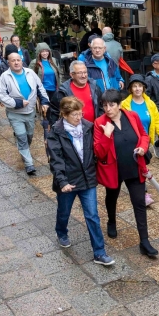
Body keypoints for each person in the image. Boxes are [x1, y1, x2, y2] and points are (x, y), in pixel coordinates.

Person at [48, 96, 115, 265]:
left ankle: (99, 252)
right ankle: (61, 232)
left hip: (87, 179)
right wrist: (62, 182)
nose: (79, 118)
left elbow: (95, 150)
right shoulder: (56, 132)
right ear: (64, 114)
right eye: (75, 115)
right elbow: (56, 159)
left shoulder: (88, 127)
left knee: (92, 216)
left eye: (80, 113)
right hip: (68, 181)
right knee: (64, 211)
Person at [93, 89, 158, 258]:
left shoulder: (132, 116)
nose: (108, 108)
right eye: (105, 105)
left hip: (134, 166)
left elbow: (144, 135)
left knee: (139, 202)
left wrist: (143, 148)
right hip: (113, 170)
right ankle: (111, 220)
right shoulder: (99, 122)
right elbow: (99, 153)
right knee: (111, 197)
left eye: (112, 104)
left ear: (120, 104)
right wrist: (107, 135)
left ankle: (144, 241)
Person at [0, 52, 50, 175]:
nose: (16, 62)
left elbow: (40, 87)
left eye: (18, 60)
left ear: (22, 61)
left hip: (30, 112)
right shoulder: (5, 76)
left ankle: (24, 149)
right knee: (21, 136)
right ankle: (29, 164)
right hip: (15, 113)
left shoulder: (30, 73)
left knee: (29, 135)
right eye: (13, 60)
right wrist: (17, 103)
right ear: (8, 63)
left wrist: (44, 101)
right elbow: (1, 95)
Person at [121, 74, 159, 206]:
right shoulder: (125, 105)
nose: (137, 89)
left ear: (143, 88)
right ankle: (143, 194)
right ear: (130, 89)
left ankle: (141, 191)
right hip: (131, 142)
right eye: (134, 86)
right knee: (140, 167)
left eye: (139, 86)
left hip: (145, 141)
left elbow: (157, 121)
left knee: (143, 165)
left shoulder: (150, 104)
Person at [52, 61, 102, 125]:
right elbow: (54, 112)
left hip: (94, 128)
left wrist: (100, 122)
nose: (83, 76)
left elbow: (101, 106)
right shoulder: (63, 91)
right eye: (80, 73)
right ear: (72, 75)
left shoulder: (95, 87)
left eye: (85, 72)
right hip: (74, 130)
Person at [28, 42, 62, 122]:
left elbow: (59, 74)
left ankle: (54, 123)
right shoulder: (34, 63)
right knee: (46, 108)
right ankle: (47, 124)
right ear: (39, 53)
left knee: (55, 107)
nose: (45, 53)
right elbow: (29, 76)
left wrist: (60, 86)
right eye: (42, 51)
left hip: (54, 88)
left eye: (46, 51)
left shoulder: (53, 60)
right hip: (43, 90)